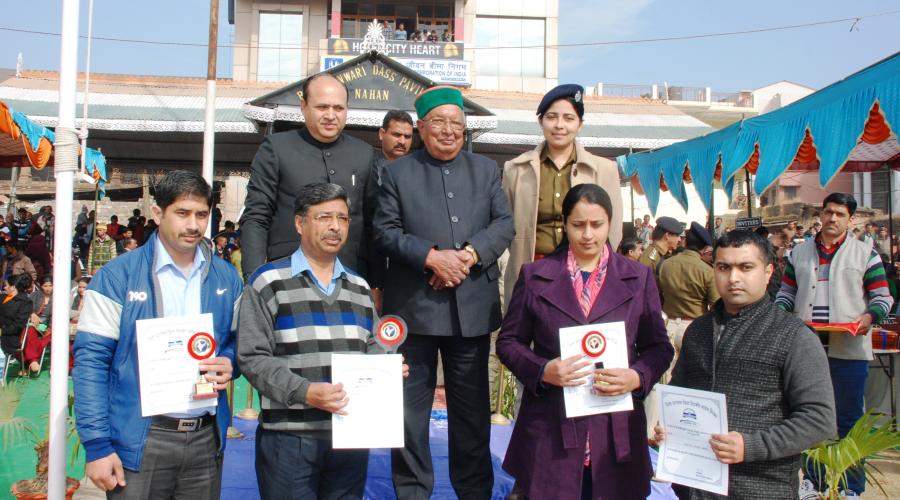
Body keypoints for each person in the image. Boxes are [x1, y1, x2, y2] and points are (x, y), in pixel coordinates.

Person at [374, 85, 514, 499]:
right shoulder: (396, 172)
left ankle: (474, 491)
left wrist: (467, 257)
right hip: (414, 311)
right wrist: (431, 257)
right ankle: (413, 491)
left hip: (470, 308)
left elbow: (503, 225)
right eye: (439, 122)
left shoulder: (486, 170)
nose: (449, 130)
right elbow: (384, 231)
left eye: (457, 123)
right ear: (421, 127)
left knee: (471, 414)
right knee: (409, 415)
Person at [73, 170, 243, 498]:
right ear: (157, 213)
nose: (193, 224)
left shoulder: (226, 279)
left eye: (201, 214)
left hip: (205, 438)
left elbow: (237, 343)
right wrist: (97, 446)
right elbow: (91, 362)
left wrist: (231, 361)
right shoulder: (116, 278)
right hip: (141, 439)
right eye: (182, 213)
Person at [497, 184, 673, 499]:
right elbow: (509, 342)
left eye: (597, 225)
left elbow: (659, 347)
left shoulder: (638, 277)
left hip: (616, 428)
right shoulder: (536, 276)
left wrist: (636, 376)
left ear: (611, 224)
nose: (587, 234)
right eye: (578, 225)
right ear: (564, 224)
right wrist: (542, 370)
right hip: (552, 427)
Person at [238, 183, 408, 499]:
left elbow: (370, 345)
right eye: (324, 217)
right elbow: (252, 357)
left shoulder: (359, 288)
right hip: (289, 439)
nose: (335, 227)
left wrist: (386, 369)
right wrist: (305, 392)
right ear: (300, 223)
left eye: (342, 219)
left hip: (350, 434)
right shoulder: (267, 282)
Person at [660, 230, 836, 499]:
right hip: (695, 485)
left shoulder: (793, 336)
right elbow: (680, 394)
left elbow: (819, 420)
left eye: (746, 267)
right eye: (723, 267)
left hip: (760, 487)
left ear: (767, 272)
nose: (733, 278)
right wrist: (671, 428)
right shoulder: (698, 331)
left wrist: (750, 446)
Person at [774, 193, 892, 497]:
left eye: (840, 214)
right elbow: (786, 295)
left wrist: (869, 317)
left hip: (849, 351)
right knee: (806, 415)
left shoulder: (867, 254)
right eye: (828, 212)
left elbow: (882, 298)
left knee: (849, 420)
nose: (833, 219)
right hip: (806, 350)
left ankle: (850, 487)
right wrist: (780, 318)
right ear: (820, 215)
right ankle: (814, 482)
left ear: (850, 219)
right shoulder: (797, 255)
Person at [240, 72, 376, 280]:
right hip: (288, 274)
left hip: (350, 275)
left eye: (338, 108)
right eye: (322, 107)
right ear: (303, 106)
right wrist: (254, 277)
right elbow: (257, 216)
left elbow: (371, 223)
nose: (331, 115)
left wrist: (375, 283)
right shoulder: (277, 148)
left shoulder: (364, 154)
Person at [503, 84, 623, 309]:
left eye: (569, 118)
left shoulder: (604, 169)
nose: (559, 125)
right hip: (531, 268)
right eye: (551, 117)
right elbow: (506, 225)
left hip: (586, 271)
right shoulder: (515, 169)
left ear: (580, 124)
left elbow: (613, 229)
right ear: (541, 121)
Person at [0, 274, 34, 372]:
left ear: (13, 286)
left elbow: (18, 325)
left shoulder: (25, 302)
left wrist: (2, 331)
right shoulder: (2, 297)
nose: (4, 287)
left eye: (6, 285)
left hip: (10, 337)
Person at [21, 274, 53, 375]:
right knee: (29, 331)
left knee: (33, 331)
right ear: (41, 286)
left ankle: (29, 363)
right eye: (45, 286)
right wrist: (32, 314)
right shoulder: (35, 295)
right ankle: (32, 361)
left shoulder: (58, 298)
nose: (48, 288)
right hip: (32, 323)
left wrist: (44, 326)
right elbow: (27, 308)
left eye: (50, 285)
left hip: (48, 327)